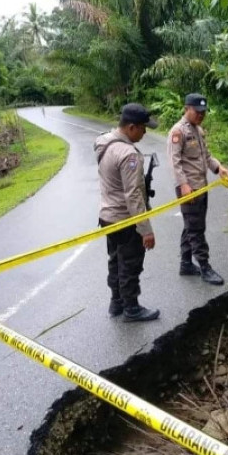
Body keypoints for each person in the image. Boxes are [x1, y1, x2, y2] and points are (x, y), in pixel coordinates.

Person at [93, 103, 160, 322]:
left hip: (107, 218)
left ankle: (117, 302)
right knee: (130, 264)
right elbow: (133, 196)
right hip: (125, 219)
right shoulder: (128, 154)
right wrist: (146, 229)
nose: (145, 132)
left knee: (115, 261)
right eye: (143, 128)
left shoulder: (103, 141)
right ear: (131, 127)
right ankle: (131, 308)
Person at [167, 93, 228, 285]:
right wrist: (183, 185)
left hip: (201, 186)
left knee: (192, 225)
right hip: (189, 189)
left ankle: (186, 263)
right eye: (197, 112)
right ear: (187, 109)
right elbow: (175, 162)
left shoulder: (199, 130)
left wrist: (219, 168)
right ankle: (205, 267)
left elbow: (207, 157)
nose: (201, 115)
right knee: (196, 229)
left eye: (203, 112)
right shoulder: (178, 132)